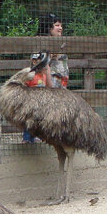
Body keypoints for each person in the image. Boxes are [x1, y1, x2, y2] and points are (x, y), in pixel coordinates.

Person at [23, 13, 68, 142]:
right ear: (49, 28)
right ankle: (30, 137)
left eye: (61, 25)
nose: (60, 28)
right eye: (57, 25)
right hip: (43, 86)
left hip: (58, 85)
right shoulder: (41, 44)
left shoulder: (59, 44)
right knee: (37, 111)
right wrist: (50, 85)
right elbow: (39, 67)